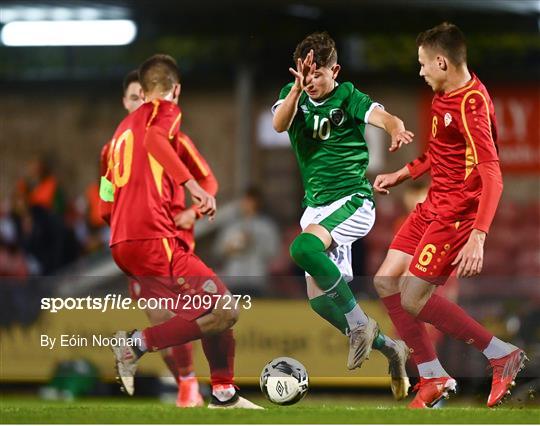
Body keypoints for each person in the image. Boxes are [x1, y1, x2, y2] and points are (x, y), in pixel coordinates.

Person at [372, 22, 527, 408]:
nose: (420, 71)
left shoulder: (471, 103)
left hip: (456, 213)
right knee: (385, 279)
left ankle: (500, 354)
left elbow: (492, 172)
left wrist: (479, 234)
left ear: (441, 62)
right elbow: (436, 154)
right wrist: (401, 173)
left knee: (411, 297)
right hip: (432, 204)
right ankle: (432, 375)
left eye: (424, 64)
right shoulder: (443, 95)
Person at [101, 54, 260, 409]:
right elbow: (156, 141)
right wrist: (193, 187)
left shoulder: (116, 138)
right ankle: (138, 347)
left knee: (213, 313)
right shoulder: (166, 112)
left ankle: (220, 392)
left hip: (123, 244)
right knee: (226, 310)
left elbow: (103, 204)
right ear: (176, 90)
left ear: (140, 93)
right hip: (154, 240)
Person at [272, 32, 413, 400]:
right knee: (319, 301)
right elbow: (279, 125)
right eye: (306, 75)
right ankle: (391, 349)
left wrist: (396, 126)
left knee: (302, 249)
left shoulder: (347, 96)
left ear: (334, 69)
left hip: (352, 200)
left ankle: (359, 326)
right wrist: (296, 90)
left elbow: (378, 115)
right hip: (316, 208)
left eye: (318, 75)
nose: (312, 82)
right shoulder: (295, 95)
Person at [100, 70, 212, 408]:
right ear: (126, 102)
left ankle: (195, 387)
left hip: (169, 239)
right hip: (140, 241)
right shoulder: (114, 147)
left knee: (196, 314)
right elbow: (105, 198)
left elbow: (208, 181)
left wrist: (192, 210)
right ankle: (189, 387)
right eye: (135, 99)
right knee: (166, 318)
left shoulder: (172, 137)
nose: (142, 104)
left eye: (144, 97)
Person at [214, 186, 280, 296]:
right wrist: (231, 249)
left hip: (256, 277)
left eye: (250, 201)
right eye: (245, 201)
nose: (247, 204)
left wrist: (254, 243)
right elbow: (219, 250)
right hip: (233, 277)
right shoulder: (231, 226)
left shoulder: (266, 227)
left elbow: (273, 252)